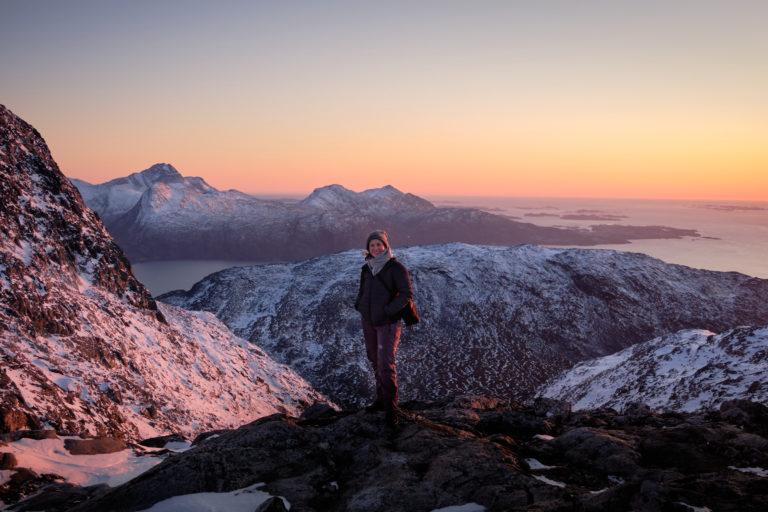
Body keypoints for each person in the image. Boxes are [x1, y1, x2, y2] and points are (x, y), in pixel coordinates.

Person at [354, 230, 414, 426]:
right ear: (368, 249)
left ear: (386, 246)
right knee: (374, 360)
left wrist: (389, 311)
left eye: (379, 244)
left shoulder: (396, 268)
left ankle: (391, 411)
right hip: (369, 321)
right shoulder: (367, 268)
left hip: (388, 323)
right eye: (372, 245)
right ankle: (380, 401)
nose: (376, 248)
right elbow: (363, 291)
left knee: (386, 365)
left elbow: (406, 294)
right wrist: (360, 305)